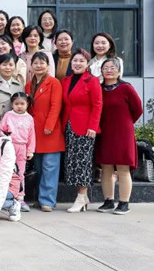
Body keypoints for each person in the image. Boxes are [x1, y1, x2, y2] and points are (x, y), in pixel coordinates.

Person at [96, 58, 143, 215]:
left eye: (112, 67)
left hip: (123, 132)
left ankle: (124, 202)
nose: (109, 70)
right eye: (105, 68)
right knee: (106, 167)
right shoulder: (98, 88)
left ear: (118, 71)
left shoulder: (126, 88)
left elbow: (137, 109)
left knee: (123, 167)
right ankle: (108, 200)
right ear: (101, 71)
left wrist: (126, 122)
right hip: (104, 132)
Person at [61, 49, 103, 213]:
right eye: (75, 60)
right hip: (69, 125)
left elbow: (97, 105)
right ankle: (83, 198)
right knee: (73, 162)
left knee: (82, 162)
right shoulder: (66, 80)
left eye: (81, 61)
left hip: (85, 127)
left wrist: (93, 126)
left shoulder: (92, 81)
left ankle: (81, 197)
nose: (77, 63)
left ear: (87, 64)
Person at [26, 52, 64, 212]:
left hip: (50, 131)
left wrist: (49, 125)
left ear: (48, 66)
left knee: (50, 167)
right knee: (39, 167)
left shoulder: (54, 82)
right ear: (31, 66)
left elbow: (56, 105)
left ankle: (48, 200)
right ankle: (40, 198)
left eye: (42, 63)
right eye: (35, 63)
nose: (38, 66)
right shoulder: (29, 85)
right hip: (34, 131)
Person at [0, 92, 35, 213]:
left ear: (27, 104)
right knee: (7, 171)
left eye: (22, 104)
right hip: (9, 146)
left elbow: (31, 136)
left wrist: (30, 150)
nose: (19, 106)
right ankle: (6, 196)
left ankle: (20, 198)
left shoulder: (29, 118)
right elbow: (1, 130)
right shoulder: (8, 116)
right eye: (16, 104)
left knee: (20, 173)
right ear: (12, 104)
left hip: (22, 148)